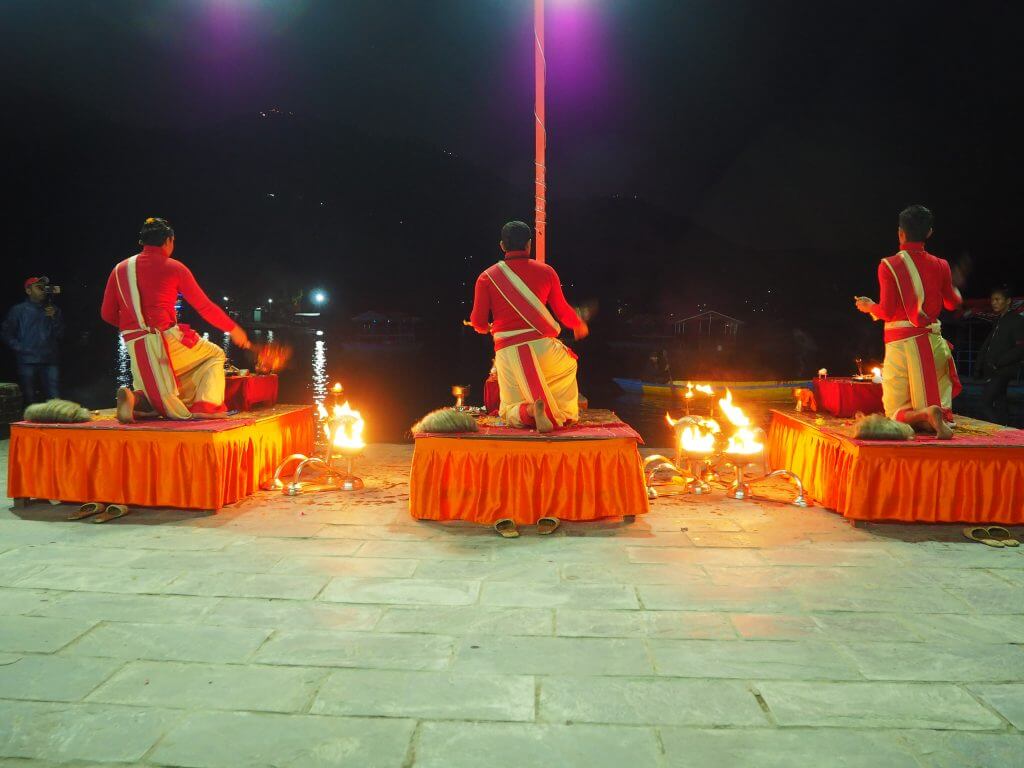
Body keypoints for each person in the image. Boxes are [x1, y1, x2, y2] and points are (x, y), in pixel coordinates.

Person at [100, 217, 251, 422]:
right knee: (214, 355)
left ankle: (134, 399)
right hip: (164, 339)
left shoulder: (119, 270)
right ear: (169, 240)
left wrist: (137, 327)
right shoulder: (174, 267)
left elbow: (107, 314)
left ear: (142, 242)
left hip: (134, 343)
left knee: (153, 383)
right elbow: (204, 307)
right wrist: (233, 329)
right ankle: (206, 406)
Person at [469, 220, 588, 433]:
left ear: (502, 246)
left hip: (507, 353)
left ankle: (531, 410)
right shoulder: (547, 272)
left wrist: (483, 328)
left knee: (507, 409)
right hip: (543, 349)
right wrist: (578, 324)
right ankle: (561, 412)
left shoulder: (486, 278)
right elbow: (562, 311)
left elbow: (477, 322)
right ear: (529, 245)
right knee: (568, 365)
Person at [855, 204, 962, 439]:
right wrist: (955, 289)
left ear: (900, 233)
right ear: (929, 233)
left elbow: (887, 310)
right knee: (927, 401)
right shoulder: (941, 265)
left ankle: (925, 415)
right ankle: (933, 414)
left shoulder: (888, 265)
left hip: (901, 344)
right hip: (933, 343)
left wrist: (867, 306)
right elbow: (953, 304)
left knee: (895, 412)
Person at [2, 276, 64, 404]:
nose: (43, 290)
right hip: (27, 360)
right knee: (29, 397)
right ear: (28, 291)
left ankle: (56, 422)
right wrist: (21, 348)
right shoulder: (18, 310)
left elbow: (60, 334)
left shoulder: (53, 310)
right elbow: (7, 333)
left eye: (44, 287)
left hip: (49, 359)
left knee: (54, 397)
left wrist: (53, 318)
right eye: (39, 287)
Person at [975, 286, 1024, 425]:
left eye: (998, 299)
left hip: (1003, 370)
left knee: (984, 403)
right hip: (995, 369)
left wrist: (998, 362)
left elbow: (1020, 348)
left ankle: (1001, 432)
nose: (994, 302)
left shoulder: (1016, 320)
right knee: (1001, 402)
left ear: (1008, 301)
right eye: (992, 300)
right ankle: (1007, 432)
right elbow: (989, 344)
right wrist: (980, 365)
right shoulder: (999, 320)